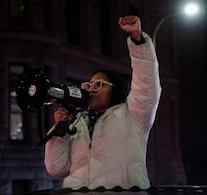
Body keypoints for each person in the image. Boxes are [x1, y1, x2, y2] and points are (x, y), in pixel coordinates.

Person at [44, 15, 162, 190]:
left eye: (99, 85)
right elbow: (56, 168)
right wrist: (60, 128)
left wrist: (138, 41)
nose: (91, 89)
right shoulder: (77, 122)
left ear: (116, 90)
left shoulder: (133, 115)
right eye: (89, 85)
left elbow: (146, 84)